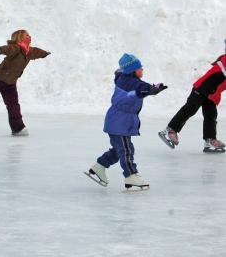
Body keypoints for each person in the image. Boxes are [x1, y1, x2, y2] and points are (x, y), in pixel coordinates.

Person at [85, 54, 167, 190]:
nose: (142, 70)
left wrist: (152, 88)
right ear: (132, 70)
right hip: (119, 122)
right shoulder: (130, 83)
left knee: (121, 150)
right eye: (139, 68)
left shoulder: (124, 78)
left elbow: (136, 85)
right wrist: (152, 89)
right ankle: (131, 175)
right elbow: (140, 88)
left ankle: (99, 167)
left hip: (118, 121)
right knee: (126, 150)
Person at [158, 53, 226, 153]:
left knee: (211, 116)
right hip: (202, 88)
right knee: (190, 109)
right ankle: (170, 130)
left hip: (212, 94)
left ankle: (209, 140)